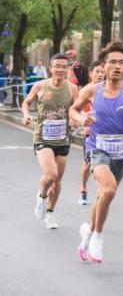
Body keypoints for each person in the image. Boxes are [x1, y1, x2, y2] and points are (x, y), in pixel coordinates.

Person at [70, 41, 123, 262]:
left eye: (121, 63)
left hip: (120, 154)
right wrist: (81, 118)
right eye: (112, 62)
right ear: (103, 66)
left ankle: (86, 232)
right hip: (97, 149)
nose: (117, 66)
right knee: (109, 190)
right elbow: (73, 109)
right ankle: (97, 236)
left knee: (103, 196)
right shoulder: (92, 90)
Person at [21, 53, 79, 229]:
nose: (61, 69)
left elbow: (75, 110)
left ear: (68, 69)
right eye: (57, 66)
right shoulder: (40, 86)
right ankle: (42, 196)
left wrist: (76, 120)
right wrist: (26, 115)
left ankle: (50, 213)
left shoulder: (72, 89)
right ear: (51, 68)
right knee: (51, 174)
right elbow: (26, 103)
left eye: (64, 66)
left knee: (58, 180)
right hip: (43, 138)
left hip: (63, 139)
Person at [78, 60, 106, 205]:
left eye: (102, 72)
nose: (100, 74)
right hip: (90, 133)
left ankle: (102, 191)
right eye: (97, 72)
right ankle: (83, 188)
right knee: (88, 165)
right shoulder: (86, 91)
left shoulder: (108, 90)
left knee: (102, 164)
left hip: (105, 134)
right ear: (91, 73)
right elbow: (76, 110)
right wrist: (83, 119)